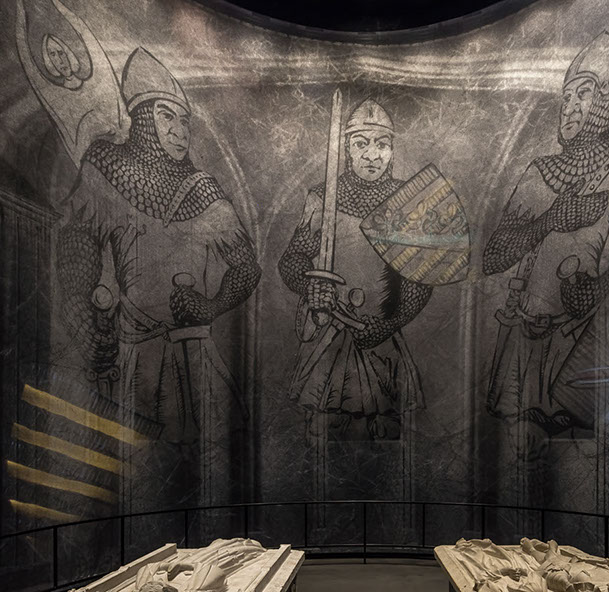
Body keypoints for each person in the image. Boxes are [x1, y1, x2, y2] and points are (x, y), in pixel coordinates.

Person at [55, 47, 260, 445]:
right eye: (167, 117)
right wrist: (82, 317)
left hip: (195, 350)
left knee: (205, 454)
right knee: (140, 455)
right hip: (135, 352)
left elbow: (246, 268)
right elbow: (78, 245)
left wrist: (212, 305)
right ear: (143, 119)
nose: (180, 131)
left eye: (185, 121)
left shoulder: (204, 190)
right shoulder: (106, 168)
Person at [482, 30, 609, 438]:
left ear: (605, 100)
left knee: (571, 444)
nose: (570, 107)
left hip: (575, 337)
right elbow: (494, 257)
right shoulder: (538, 172)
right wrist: (549, 220)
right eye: (566, 97)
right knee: (518, 444)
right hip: (521, 335)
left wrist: (603, 285)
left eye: (583, 94)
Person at [279, 100, 434, 441]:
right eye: (361, 143)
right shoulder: (323, 199)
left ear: (392, 150)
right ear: (347, 149)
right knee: (325, 433)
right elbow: (292, 260)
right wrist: (309, 287)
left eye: (382, 144)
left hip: (381, 337)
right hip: (329, 336)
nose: (372, 154)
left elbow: (419, 280)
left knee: (385, 434)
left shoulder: (408, 203)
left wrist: (389, 324)